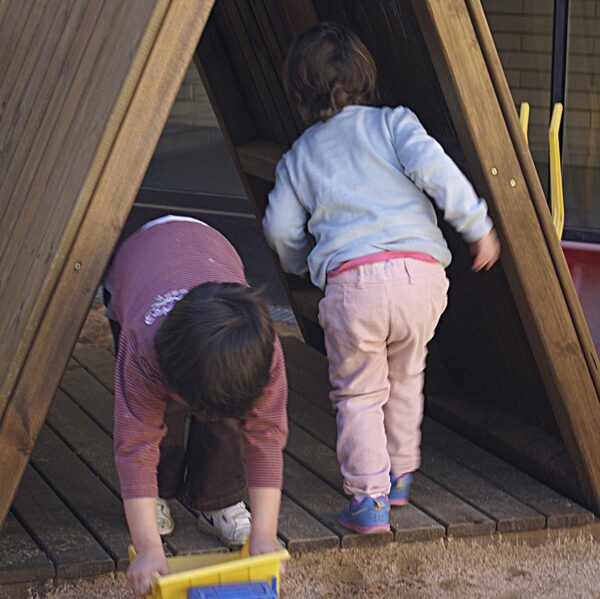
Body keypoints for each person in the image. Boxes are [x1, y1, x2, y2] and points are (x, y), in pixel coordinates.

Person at [263, 24, 500, 534]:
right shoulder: (395, 124)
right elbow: (437, 171)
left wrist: (304, 262)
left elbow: (280, 228)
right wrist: (478, 227)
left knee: (358, 393)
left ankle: (368, 498)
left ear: (300, 94)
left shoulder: (300, 155)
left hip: (354, 289)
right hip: (421, 278)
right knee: (407, 375)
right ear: (365, 79)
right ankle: (400, 477)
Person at [103, 215, 288, 595]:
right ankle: (158, 495)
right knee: (159, 417)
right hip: (137, 263)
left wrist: (266, 534)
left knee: (227, 418)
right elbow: (135, 443)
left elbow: (266, 435)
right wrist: (149, 547)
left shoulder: (263, 349)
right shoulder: (142, 347)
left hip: (208, 247)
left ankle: (216, 499)